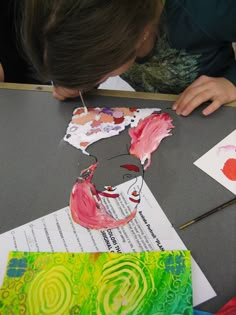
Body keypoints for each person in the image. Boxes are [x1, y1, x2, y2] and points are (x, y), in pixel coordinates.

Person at [1, 0, 236, 116]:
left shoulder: (208, 11)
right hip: (157, 106)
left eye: (100, 70)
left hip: (214, 112)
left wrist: (231, 83)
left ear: (139, 35)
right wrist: (78, 78)